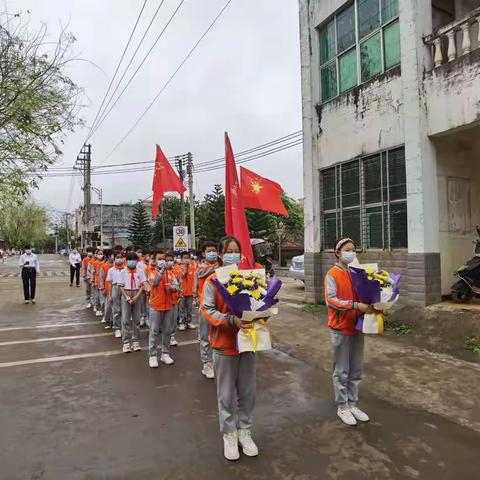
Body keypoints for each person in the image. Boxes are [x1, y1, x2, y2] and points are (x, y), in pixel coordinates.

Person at [201, 236, 259, 461]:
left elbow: (259, 303)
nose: (233, 255)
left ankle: (245, 431)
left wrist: (261, 315)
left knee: (247, 393)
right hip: (224, 346)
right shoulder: (212, 281)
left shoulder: (249, 279)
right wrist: (230, 320)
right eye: (229, 251)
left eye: (237, 251)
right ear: (221, 255)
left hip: (247, 343)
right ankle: (229, 434)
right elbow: (207, 310)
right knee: (225, 395)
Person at [325, 238, 371, 427]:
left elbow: (366, 294)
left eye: (353, 250)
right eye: (347, 250)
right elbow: (331, 300)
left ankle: (352, 403)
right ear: (337, 252)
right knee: (342, 369)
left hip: (357, 327)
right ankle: (342, 406)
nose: (351, 253)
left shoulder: (357, 273)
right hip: (340, 328)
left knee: (356, 368)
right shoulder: (332, 274)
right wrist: (355, 305)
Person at [148, 251, 179, 367]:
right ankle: (152, 355)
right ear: (155, 261)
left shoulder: (170, 274)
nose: (162, 261)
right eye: (159, 259)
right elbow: (154, 284)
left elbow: (177, 286)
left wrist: (172, 288)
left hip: (168, 305)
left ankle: (165, 353)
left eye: (163, 259)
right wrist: (161, 272)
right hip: (156, 306)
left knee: (167, 331)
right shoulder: (152, 273)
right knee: (154, 331)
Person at [195, 241, 220, 379]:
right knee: (205, 336)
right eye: (209, 251)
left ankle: (216, 362)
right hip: (205, 306)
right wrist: (219, 267)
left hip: (219, 306)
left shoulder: (220, 266)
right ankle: (207, 364)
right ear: (204, 254)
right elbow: (202, 274)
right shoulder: (201, 267)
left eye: (214, 250)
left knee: (217, 335)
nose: (212, 253)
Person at [118, 252, 148, 353]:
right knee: (126, 319)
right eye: (130, 260)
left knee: (136, 319)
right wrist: (127, 297)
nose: (132, 262)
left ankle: (136, 341)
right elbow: (121, 286)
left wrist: (136, 296)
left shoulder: (140, 271)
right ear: (126, 261)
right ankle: (126, 342)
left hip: (137, 294)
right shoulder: (123, 272)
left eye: (134, 260)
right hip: (126, 293)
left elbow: (142, 285)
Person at [107, 251, 125, 339]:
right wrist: (110, 295)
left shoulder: (126, 269)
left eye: (120, 257)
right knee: (116, 310)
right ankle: (117, 328)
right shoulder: (111, 270)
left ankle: (124, 328)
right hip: (115, 288)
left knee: (124, 310)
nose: (119, 259)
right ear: (114, 259)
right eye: (117, 257)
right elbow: (110, 283)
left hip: (124, 289)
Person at [178, 251, 197, 331]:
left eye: (188, 258)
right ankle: (182, 323)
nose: (186, 260)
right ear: (181, 259)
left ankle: (188, 322)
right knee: (182, 308)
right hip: (182, 292)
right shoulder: (178, 268)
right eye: (184, 258)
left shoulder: (193, 267)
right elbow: (180, 277)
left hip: (190, 292)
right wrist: (184, 269)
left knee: (189, 308)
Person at [101, 251, 114, 329]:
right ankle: (108, 320)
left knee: (115, 309)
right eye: (112, 256)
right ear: (108, 256)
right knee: (108, 307)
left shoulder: (121, 267)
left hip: (116, 291)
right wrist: (102, 288)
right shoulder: (104, 266)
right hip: (107, 289)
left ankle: (113, 322)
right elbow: (102, 278)